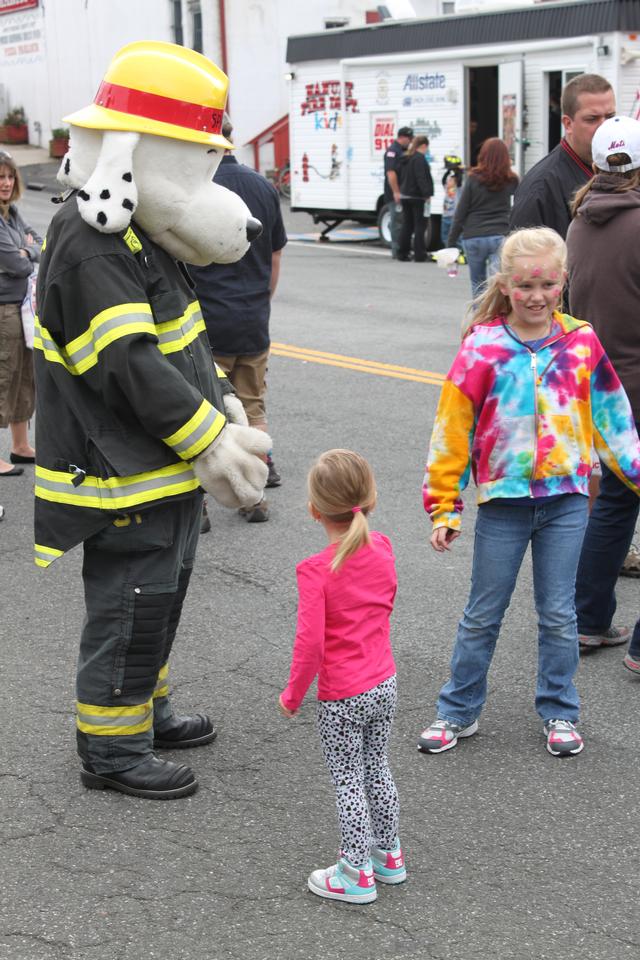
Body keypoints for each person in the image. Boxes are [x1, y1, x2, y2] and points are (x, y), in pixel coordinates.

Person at [34, 41, 270, 800]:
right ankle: (111, 748)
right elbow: (127, 363)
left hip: (157, 465)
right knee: (131, 603)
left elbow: (178, 342)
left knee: (158, 598)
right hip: (119, 472)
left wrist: (223, 405)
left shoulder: (135, 228)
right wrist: (210, 438)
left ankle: (143, 709)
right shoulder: (92, 239)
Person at [418, 227, 640, 758]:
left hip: (566, 500)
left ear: (563, 281)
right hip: (504, 505)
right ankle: (457, 711)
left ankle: (560, 711)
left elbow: (613, 420)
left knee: (559, 614)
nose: (536, 295)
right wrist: (443, 505)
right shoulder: (483, 347)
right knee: (482, 613)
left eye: (546, 284)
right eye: (524, 285)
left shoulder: (581, 341)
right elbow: (452, 431)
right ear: (506, 284)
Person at [278, 449, 404, 903]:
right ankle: (388, 855)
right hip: (383, 681)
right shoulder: (384, 548)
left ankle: (355, 871)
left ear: (314, 510)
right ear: (369, 502)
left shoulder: (316, 572)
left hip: (343, 695)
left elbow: (309, 645)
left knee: (348, 779)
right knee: (377, 767)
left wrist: (293, 695)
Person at [567, 115, 640, 663]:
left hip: (601, 392)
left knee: (615, 504)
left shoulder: (580, 222)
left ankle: (588, 620)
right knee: (617, 503)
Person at [190, 115, 287, 525]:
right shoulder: (263, 186)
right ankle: (256, 494)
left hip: (209, 319)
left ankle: (202, 504)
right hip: (252, 317)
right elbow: (275, 255)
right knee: (253, 406)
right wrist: (260, 300)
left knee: (206, 413)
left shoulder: (197, 189)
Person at [510, 73, 615, 238]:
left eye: (610, 117)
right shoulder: (541, 188)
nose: (605, 127)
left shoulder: (622, 169)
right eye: (592, 119)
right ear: (568, 124)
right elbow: (524, 259)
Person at [0, 150, 42, 476]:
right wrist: (25, 252)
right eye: (0, 176)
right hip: (3, 311)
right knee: (3, 378)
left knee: (24, 377)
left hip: (22, 308)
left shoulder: (12, 214)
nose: (5, 182)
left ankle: (19, 446)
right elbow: (16, 265)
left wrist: (27, 248)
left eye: (9, 176)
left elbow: (39, 242)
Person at [447, 138, 518, 294]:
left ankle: (480, 317)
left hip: (474, 236)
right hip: (501, 235)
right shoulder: (512, 180)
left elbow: (461, 211)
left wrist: (451, 241)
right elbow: (517, 209)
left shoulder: (473, 178)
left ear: (483, 155)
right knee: (498, 285)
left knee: (477, 284)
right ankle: (498, 316)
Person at [397, 135, 434, 263]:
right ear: (423, 146)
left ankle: (402, 252)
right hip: (417, 196)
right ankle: (419, 254)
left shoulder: (406, 158)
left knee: (407, 224)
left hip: (405, 194)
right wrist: (427, 194)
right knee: (420, 225)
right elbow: (421, 178)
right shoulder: (419, 159)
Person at [383, 125, 413, 259]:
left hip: (405, 192)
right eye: (409, 138)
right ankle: (397, 250)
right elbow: (391, 173)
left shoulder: (405, 151)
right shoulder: (392, 151)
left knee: (403, 221)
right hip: (395, 193)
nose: (411, 141)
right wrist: (396, 192)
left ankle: (403, 248)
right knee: (397, 222)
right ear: (402, 138)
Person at [440, 153, 464, 249]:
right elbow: (443, 180)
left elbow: (459, 180)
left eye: (451, 180)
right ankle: (449, 252)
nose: (449, 182)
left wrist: (458, 170)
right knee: (445, 236)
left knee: (458, 238)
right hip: (446, 214)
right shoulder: (447, 180)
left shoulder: (460, 183)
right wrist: (448, 171)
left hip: (455, 215)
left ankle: (461, 253)